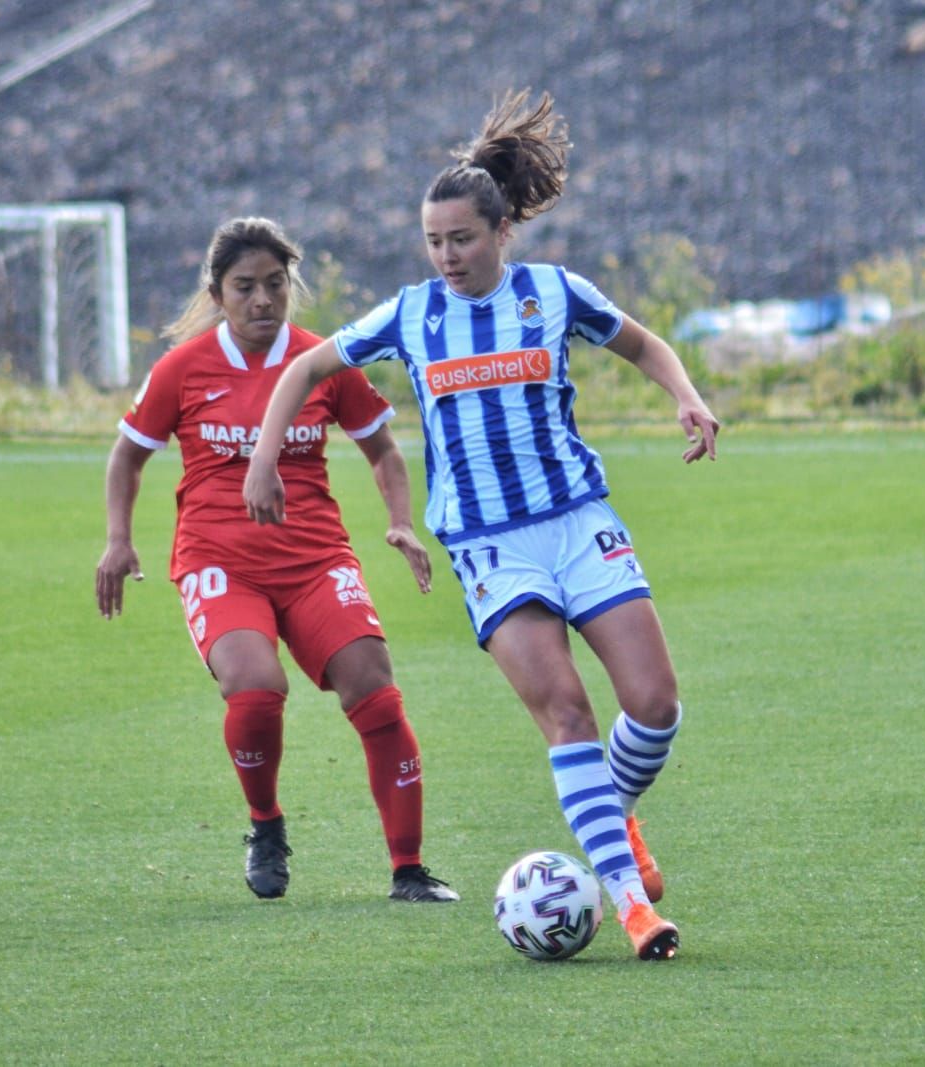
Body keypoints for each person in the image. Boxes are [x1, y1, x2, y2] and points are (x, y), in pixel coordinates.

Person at [242, 91, 718, 960]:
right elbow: (305, 369)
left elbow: (646, 344)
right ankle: (630, 905)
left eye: (461, 239)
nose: (446, 256)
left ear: (502, 233)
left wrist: (686, 397)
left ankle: (615, 820)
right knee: (568, 713)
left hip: (578, 519)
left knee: (655, 707)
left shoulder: (554, 293)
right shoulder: (411, 314)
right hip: (490, 544)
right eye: (433, 241)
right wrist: (264, 457)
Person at [96, 216, 458, 905]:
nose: (262, 299)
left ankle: (409, 869)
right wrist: (119, 539)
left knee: (374, 689)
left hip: (315, 558)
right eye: (245, 287)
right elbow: (128, 457)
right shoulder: (183, 368)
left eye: (274, 283)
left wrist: (400, 522)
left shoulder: (322, 360)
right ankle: (265, 824)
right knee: (256, 689)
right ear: (217, 294)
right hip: (219, 559)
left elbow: (382, 450)